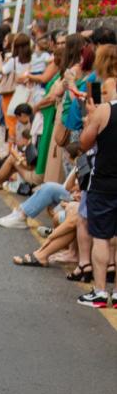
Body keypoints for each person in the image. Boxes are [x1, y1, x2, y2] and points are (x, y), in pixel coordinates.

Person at [77, 67, 117, 309]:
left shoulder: (106, 110)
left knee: (101, 237)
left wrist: (91, 117)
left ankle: (101, 292)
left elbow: (84, 142)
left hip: (104, 181)